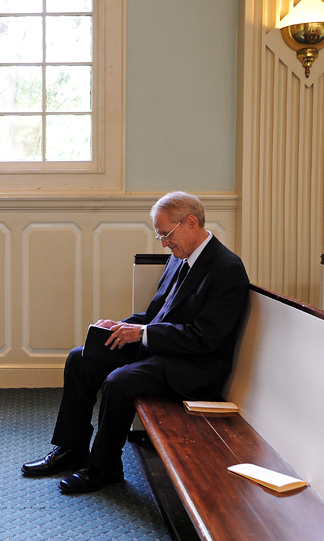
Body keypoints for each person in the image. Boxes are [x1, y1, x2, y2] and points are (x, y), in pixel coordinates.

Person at [21, 191, 250, 494]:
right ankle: (72, 449)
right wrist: (122, 326)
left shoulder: (227, 269)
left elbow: (204, 338)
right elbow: (155, 314)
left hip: (193, 367)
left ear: (191, 223)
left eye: (166, 233)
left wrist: (142, 334)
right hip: (162, 348)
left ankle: (104, 467)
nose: (164, 242)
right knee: (81, 358)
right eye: (160, 236)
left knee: (119, 382)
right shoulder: (179, 258)